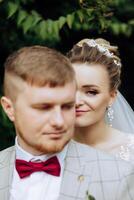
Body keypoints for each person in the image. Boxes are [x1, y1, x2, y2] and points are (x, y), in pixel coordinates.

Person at [0, 45, 134, 200]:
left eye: (67, 106)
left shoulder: (119, 175)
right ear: (9, 109)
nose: (59, 121)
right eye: (43, 108)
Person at [67, 38, 134, 162]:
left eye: (91, 92)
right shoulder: (48, 150)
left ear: (111, 97)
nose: (77, 102)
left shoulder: (130, 151)